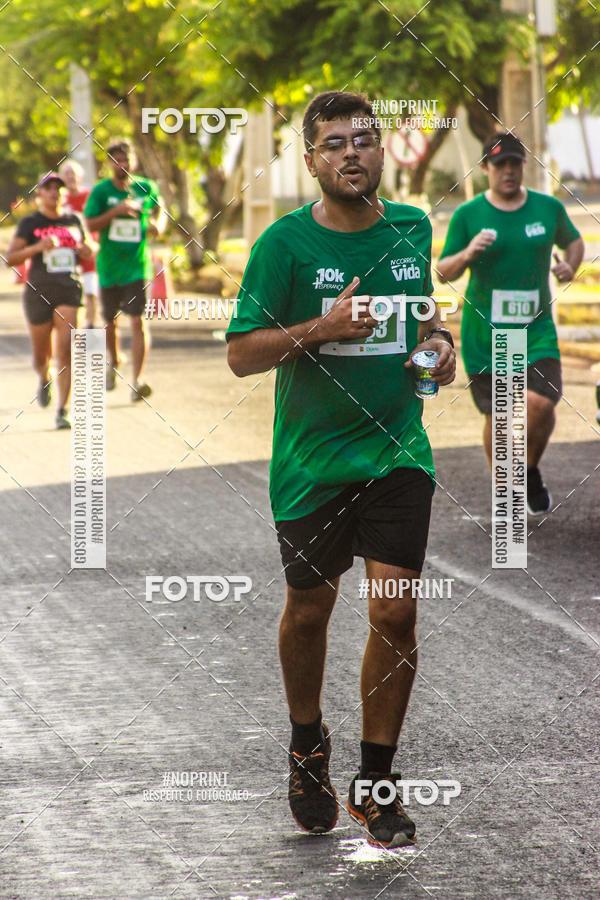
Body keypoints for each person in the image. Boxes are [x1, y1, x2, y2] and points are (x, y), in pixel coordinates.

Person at [226, 91, 455, 848]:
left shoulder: (412, 227)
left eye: (364, 139)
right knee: (310, 611)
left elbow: (424, 330)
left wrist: (438, 356)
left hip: (397, 453)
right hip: (311, 465)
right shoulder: (283, 246)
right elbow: (240, 354)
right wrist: (319, 329)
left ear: (382, 149)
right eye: (334, 143)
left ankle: (378, 783)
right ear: (311, 159)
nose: (352, 152)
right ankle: (305, 745)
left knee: (394, 612)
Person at [438, 132, 584, 515]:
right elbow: (442, 271)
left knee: (541, 404)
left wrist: (570, 263)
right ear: (485, 168)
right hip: (486, 334)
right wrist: (468, 252)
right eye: (500, 164)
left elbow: (574, 241)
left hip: (536, 330)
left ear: (523, 166)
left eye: (515, 164)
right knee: (500, 416)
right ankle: (506, 490)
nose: (508, 171)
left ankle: (529, 468)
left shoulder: (547, 208)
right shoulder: (468, 215)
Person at [6, 172, 93, 429]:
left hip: (68, 289)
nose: (55, 192)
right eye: (49, 188)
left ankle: (63, 410)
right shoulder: (30, 223)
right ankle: (44, 378)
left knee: (65, 349)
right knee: (40, 355)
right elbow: (10, 258)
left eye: (59, 188)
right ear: (40, 194)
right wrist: (37, 247)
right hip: (38, 291)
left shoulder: (73, 220)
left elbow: (90, 248)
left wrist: (87, 250)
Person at [84, 140, 164, 401]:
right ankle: (115, 360)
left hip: (136, 267)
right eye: (117, 160)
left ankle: (137, 380)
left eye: (127, 160)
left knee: (138, 321)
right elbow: (90, 224)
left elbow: (159, 209)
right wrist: (115, 212)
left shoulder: (145, 187)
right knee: (110, 322)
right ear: (110, 163)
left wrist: (157, 224)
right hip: (108, 268)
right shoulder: (101, 192)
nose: (123, 165)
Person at [58, 159, 99, 329]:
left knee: (91, 289)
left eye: (73, 174)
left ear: (80, 177)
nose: (70, 177)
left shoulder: (89, 196)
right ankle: (75, 326)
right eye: (66, 174)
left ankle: (92, 324)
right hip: (67, 253)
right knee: (73, 291)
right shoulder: (59, 200)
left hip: (88, 250)